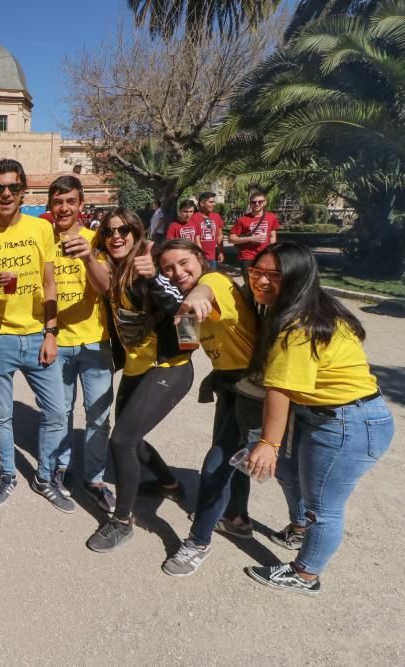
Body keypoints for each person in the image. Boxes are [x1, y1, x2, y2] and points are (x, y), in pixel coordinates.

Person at [242, 242, 393, 594]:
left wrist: (268, 443)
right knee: (289, 475)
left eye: (273, 275)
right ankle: (298, 530)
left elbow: (279, 390)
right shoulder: (308, 306)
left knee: (323, 507)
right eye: (256, 272)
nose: (261, 281)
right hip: (327, 416)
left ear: (297, 278)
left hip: (347, 423)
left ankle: (305, 574)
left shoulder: (299, 325)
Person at [0, 159, 72, 511]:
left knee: (56, 413)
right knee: (1, 415)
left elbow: (50, 284)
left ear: (23, 191)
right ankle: (8, 474)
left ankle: (45, 476)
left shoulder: (40, 229)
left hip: (38, 335)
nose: (6, 194)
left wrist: (51, 333)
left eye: (13, 187)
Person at [86, 208, 191, 553]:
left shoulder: (148, 270)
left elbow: (185, 314)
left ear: (138, 233)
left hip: (169, 368)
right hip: (136, 368)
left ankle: (122, 521)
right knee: (133, 438)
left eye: (125, 230)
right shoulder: (114, 270)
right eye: (109, 231)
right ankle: (170, 484)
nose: (116, 236)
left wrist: (157, 278)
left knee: (121, 441)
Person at [155, 239, 262, 576]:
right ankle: (236, 518)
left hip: (254, 389)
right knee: (233, 459)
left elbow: (205, 291)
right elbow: (186, 345)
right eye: (168, 268)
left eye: (184, 263)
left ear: (201, 259)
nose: (177, 272)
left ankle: (198, 542)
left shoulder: (213, 282)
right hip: (230, 386)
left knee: (215, 466)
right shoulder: (186, 303)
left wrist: (194, 299)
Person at [49, 176, 117, 512]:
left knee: (98, 416)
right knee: (59, 412)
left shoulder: (96, 241)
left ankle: (95, 477)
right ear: (51, 205)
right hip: (57, 343)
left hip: (94, 343)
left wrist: (88, 258)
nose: (63, 208)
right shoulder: (41, 239)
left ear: (80, 204)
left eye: (70, 202)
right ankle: (62, 467)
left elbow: (106, 288)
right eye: (58, 202)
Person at [229, 191, 279, 280]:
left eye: (260, 202)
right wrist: (251, 238)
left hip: (264, 255)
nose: (256, 204)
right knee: (250, 283)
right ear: (250, 204)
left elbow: (272, 236)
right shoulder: (242, 220)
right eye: (253, 202)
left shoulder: (271, 217)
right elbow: (231, 239)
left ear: (265, 202)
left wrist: (272, 252)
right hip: (247, 256)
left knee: (264, 281)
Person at [195, 191, 225, 268]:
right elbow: (195, 238)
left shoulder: (216, 216)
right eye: (211, 202)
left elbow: (219, 235)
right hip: (197, 258)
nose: (214, 204)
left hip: (212, 258)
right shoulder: (193, 218)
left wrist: (220, 251)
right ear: (202, 203)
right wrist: (199, 254)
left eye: (214, 202)